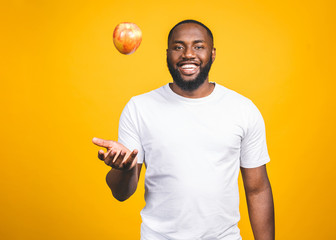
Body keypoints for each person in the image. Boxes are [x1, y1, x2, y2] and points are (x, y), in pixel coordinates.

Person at [93, 19, 275, 240]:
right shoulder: (139, 108)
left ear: (213, 53)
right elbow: (122, 193)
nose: (188, 54)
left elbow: (257, 190)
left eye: (198, 46)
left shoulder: (243, 109)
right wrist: (122, 168)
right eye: (178, 47)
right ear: (167, 54)